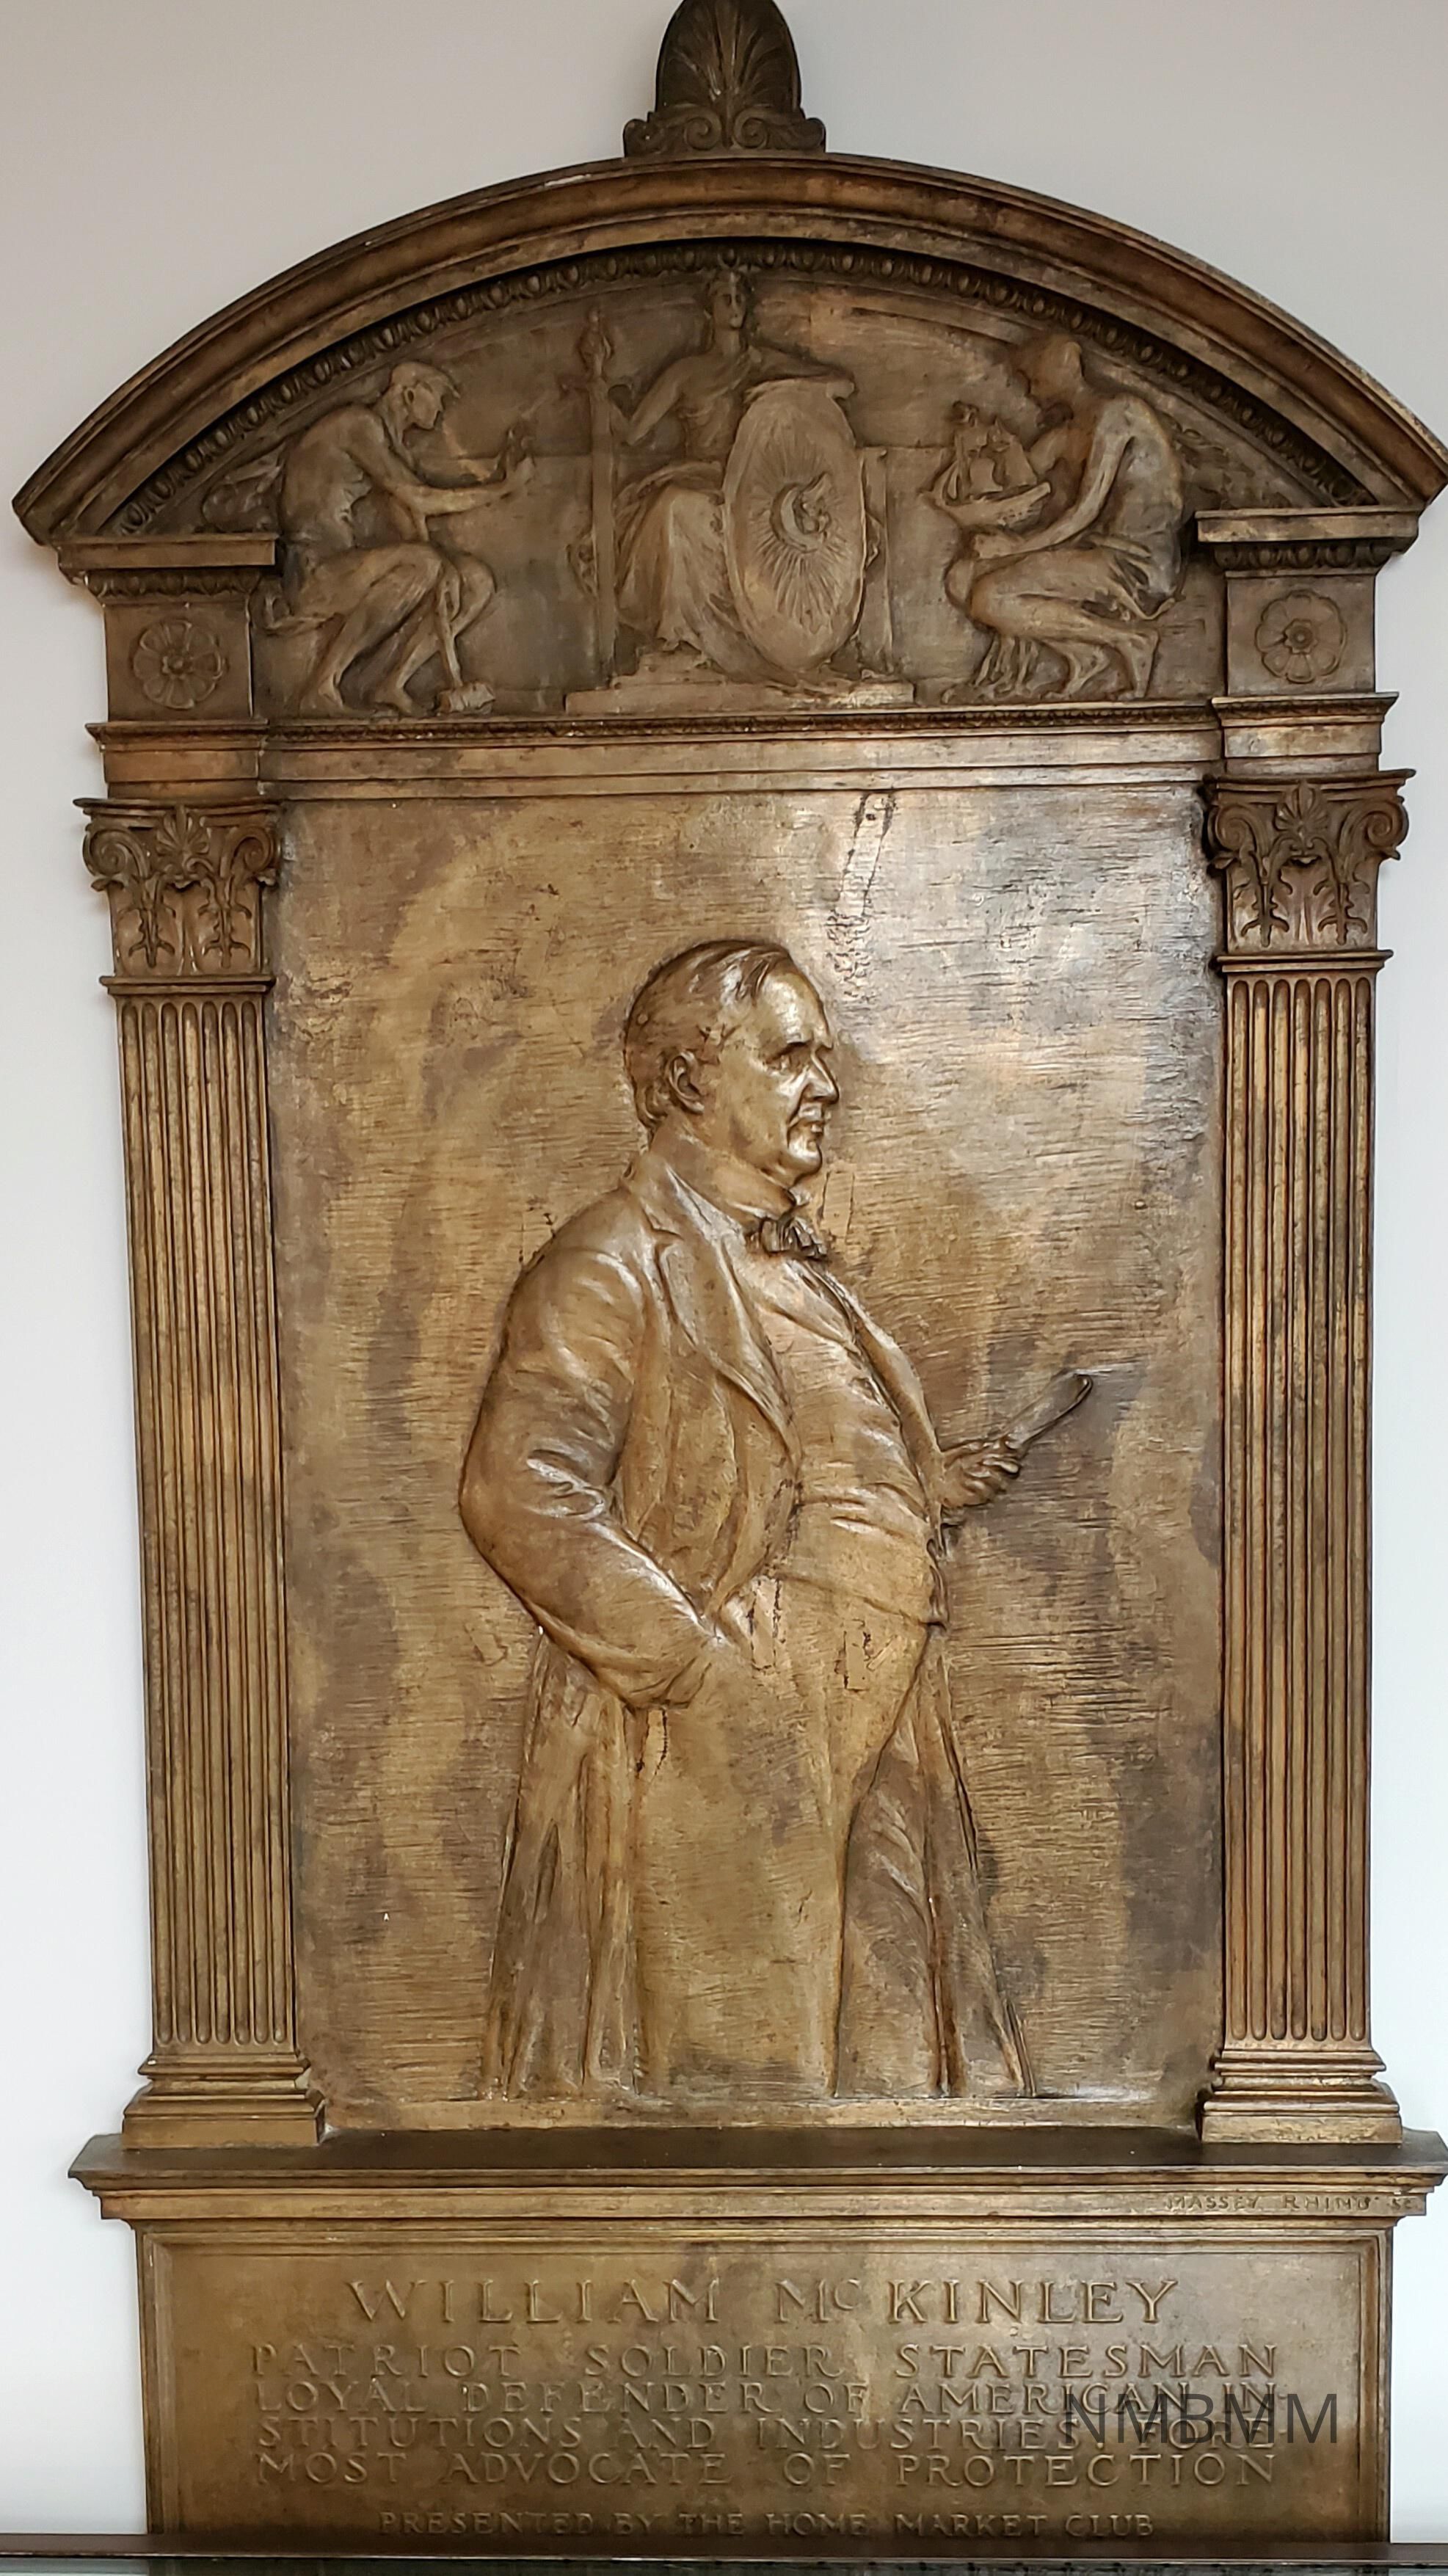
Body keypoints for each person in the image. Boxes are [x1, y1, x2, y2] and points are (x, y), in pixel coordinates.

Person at [459, 938, 1036, 2107]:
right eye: (789, 1057)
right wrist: (699, 1673)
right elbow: (522, 1488)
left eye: (822, 1056)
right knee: (738, 2081)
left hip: (878, 1711)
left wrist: (924, 1486)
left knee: (884, 2066)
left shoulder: (794, 1261)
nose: (825, 1083)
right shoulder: (612, 1258)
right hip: (730, 1724)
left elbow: (797, 1449)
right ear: (688, 1079)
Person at [611, 272, 855, 677]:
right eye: (725, 297)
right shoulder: (686, 373)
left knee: (687, 506)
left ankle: (745, 635)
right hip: (701, 474)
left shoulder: (761, 363)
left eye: (740, 297)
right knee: (675, 504)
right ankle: (680, 636)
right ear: (709, 311)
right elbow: (633, 433)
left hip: (755, 483)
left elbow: (842, 384)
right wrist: (596, 389)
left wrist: (784, 389)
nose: (735, 305)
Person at [276, 361, 529, 714]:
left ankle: (392, 682)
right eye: (437, 395)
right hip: (313, 567)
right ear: (409, 393)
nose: (441, 409)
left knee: (475, 581)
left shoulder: (392, 445)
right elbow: (420, 498)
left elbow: (413, 526)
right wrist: (502, 489)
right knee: (424, 565)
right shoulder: (358, 425)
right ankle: (323, 684)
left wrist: (447, 574)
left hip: (346, 566)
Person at [939, 335, 1185, 699]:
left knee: (990, 599)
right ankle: (1086, 659)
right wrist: (986, 443)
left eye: (1033, 377)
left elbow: (1085, 512)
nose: (1030, 389)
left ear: (1061, 368)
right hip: (1092, 552)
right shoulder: (1065, 435)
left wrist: (1012, 548)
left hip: (1133, 563)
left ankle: (1130, 641)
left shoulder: (1118, 415)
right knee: (961, 578)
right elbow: (1019, 486)